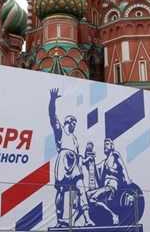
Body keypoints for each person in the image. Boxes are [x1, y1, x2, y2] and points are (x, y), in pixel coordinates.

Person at [48, 88, 94, 227]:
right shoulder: (60, 130)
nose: (74, 125)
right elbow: (52, 115)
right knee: (61, 190)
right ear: (68, 122)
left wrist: (85, 161)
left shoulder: (74, 139)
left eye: (75, 123)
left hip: (74, 164)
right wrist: (52, 100)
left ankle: (87, 219)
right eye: (73, 122)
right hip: (63, 161)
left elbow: (79, 156)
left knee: (81, 189)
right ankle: (59, 220)